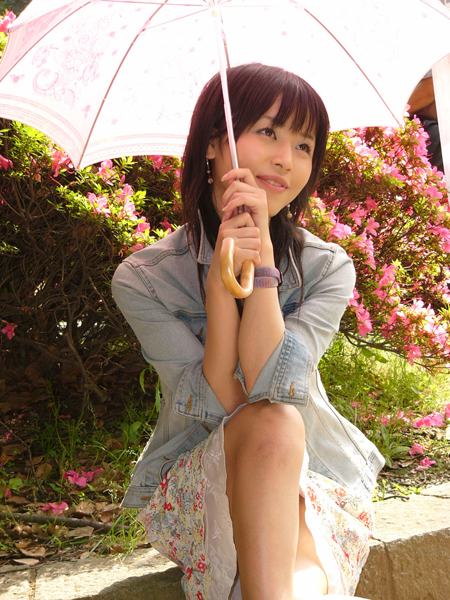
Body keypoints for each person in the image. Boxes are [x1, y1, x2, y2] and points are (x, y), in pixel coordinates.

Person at [112, 63, 384, 600]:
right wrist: (219, 291)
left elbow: (270, 384)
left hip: (309, 475)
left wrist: (262, 271)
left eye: (304, 145)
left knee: (279, 434)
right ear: (215, 144)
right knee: (272, 426)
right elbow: (223, 406)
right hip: (197, 479)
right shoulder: (144, 280)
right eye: (268, 132)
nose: (287, 158)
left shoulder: (328, 268)